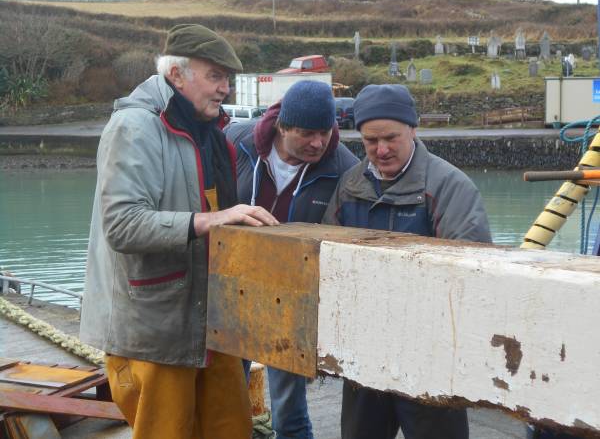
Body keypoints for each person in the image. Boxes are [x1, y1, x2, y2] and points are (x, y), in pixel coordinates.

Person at [79, 24, 278, 439]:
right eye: (214, 76)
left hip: (213, 324)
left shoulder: (211, 132)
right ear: (176, 75)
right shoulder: (134, 127)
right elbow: (122, 224)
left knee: (230, 430)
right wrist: (210, 220)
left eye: (228, 78)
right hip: (156, 332)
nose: (225, 88)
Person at [322, 84, 492, 439]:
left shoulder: (450, 187)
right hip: (364, 352)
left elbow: (472, 274)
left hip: (431, 355)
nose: (381, 149)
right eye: (370, 140)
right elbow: (325, 256)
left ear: (413, 129)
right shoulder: (349, 185)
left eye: (391, 137)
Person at [225, 79, 359, 439]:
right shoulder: (237, 142)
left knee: (290, 413)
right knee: (225, 401)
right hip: (230, 287)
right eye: (306, 133)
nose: (318, 143)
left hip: (291, 297)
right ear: (283, 126)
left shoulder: (344, 166)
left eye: (325, 132)